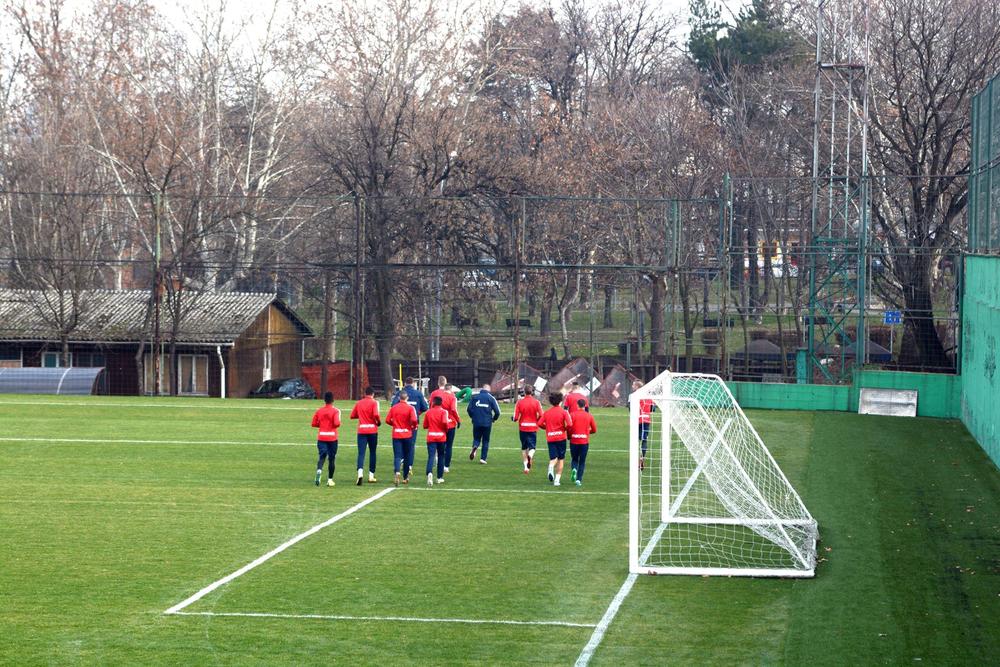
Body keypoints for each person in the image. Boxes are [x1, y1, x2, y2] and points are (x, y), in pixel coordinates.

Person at [537, 392, 573, 486]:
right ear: (560, 401)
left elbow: (539, 423)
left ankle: (551, 466)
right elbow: (570, 424)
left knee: (553, 457)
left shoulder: (547, 412)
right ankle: (557, 481)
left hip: (551, 438)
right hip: (561, 438)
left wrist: (547, 428)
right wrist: (564, 429)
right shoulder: (564, 412)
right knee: (561, 459)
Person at [349, 386, 382, 485]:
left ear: (365, 393)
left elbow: (352, 415)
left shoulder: (359, 403)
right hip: (372, 430)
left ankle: (360, 473)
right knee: (372, 452)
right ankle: (371, 475)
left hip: (362, 430)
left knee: (361, 453)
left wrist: (361, 415)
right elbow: (376, 414)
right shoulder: (374, 403)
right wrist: (378, 422)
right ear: (373, 394)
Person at [386, 393, 419, 486]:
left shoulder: (394, 407)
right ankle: (405, 477)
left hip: (396, 434)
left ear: (399, 398)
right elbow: (414, 420)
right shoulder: (410, 408)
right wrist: (413, 426)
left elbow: (387, 420)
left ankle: (397, 472)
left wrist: (394, 425)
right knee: (407, 455)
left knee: (397, 456)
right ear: (407, 398)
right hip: (407, 434)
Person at [430, 376, 460, 472]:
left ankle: (437, 459)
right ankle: (446, 466)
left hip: (438, 422)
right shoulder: (452, 396)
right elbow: (453, 409)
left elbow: (431, 407)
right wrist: (458, 420)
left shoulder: (436, 394)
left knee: (439, 442)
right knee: (449, 445)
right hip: (450, 422)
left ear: (438, 383)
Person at [311, 391, 341, 487]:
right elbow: (336, 423)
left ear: (324, 400)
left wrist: (322, 425)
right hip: (332, 438)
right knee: (331, 459)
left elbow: (313, 423)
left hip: (322, 437)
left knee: (322, 456)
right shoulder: (336, 411)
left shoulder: (319, 411)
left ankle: (319, 470)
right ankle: (330, 480)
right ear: (333, 400)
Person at [467, 383, 501, 464]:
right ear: (489, 390)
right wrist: (494, 419)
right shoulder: (491, 398)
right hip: (487, 422)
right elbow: (497, 412)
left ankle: (475, 447)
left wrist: (473, 417)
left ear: (482, 389)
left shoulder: (475, 397)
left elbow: (469, 409)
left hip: (476, 422)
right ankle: (483, 458)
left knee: (476, 438)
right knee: (485, 440)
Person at [513, 386, 543, 474]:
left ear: (524, 392)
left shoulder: (519, 402)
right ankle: (530, 455)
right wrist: (536, 420)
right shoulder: (536, 402)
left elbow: (515, 417)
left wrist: (513, 419)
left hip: (523, 427)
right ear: (532, 392)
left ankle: (526, 467)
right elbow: (541, 414)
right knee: (532, 447)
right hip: (533, 427)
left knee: (524, 447)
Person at [568, 399, 597, 486]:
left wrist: (569, 436)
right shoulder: (589, 416)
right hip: (584, 441)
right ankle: (578, 480)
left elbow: (569, 427)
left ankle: (574, 469)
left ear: (577, 405)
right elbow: (594, 429)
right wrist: (587, 432)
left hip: (574, 440)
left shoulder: (572, 415)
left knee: (574, 459)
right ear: (585, 406)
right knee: (582, 461)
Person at [423, 395, 450, 485]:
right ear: (441, 403)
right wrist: (446, 429)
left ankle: (429, 472)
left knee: (431, 456)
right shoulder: (444, 412)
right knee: (441, 456)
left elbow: (425, 425)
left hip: (431, 436)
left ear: (433, 402)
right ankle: (439, 477)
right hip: (441, 437)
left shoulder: (429, 412)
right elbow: (445, 422)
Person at [634, 379, 655, 471]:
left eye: (633, 385)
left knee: (635, 440)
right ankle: (642, 457)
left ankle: (637, 459)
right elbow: (653, 409)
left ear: (637, 387)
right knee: (644, 440)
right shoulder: (648, 397)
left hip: (637, 420)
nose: (632, 386)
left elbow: (631, 408)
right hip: (647, 420)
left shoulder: (635, 396)